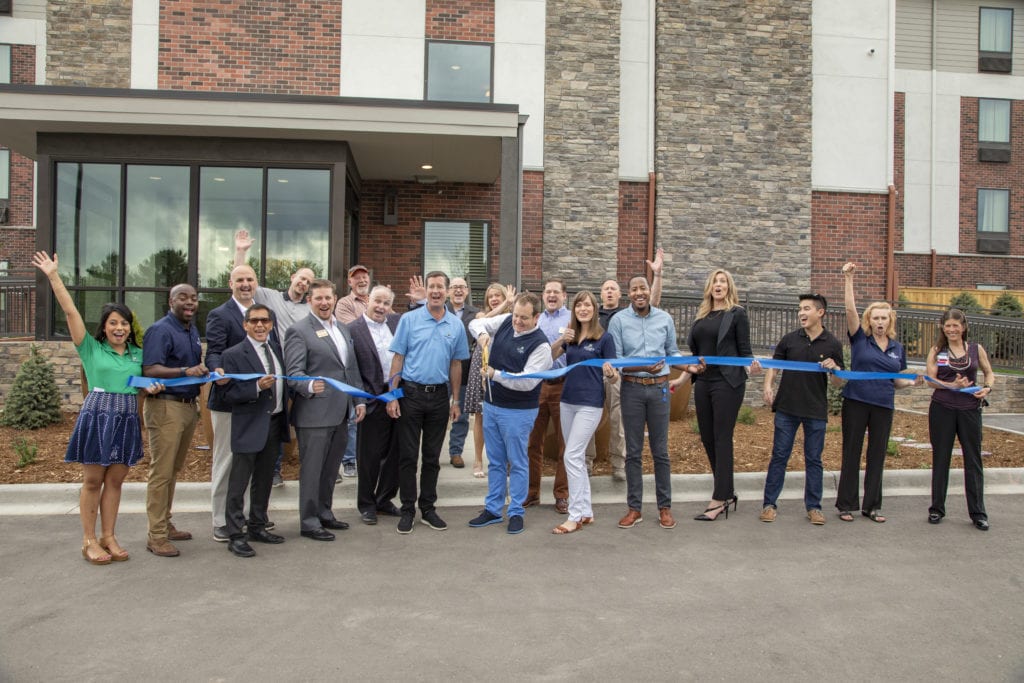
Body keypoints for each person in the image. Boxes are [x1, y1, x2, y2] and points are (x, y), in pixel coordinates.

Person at [32, 252, 163, 564]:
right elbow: (70, 311)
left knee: (116, 480)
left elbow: (144, 384)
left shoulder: (137, 354)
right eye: (113, 323)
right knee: (93, 481)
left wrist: (152, 386)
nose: (119, 328)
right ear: (103, 328)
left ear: (130, 328)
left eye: (124, 323)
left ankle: (109, 535)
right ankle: (89, 539)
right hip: (97, 415)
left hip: (127, 416)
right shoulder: (90, 349)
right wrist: (53, 276)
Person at [386, 271, 470, 534]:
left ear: (446, 291)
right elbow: (397, 359)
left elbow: (456, 364)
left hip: (439, 398)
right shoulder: (409, 320)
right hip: (410, 395)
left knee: (432, 457)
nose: (435, 291)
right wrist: (393, 395)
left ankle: (428, 508)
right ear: (428, 290)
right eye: (431, 286)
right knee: (408, 456)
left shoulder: (455, 325)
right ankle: (407, 509)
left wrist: (456, 401)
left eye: (439, 287)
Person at [835, 262, 920, 523]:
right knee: (852, 451)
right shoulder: (860, 339)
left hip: (883, 404)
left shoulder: (897, 348)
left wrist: (911, 382)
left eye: (884, 318)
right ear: (869, 321)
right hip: (857, 401)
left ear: (890, 320)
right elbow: (850, 309)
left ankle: (871, 506)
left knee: (877, 454)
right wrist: (849, 279)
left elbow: (896, 381)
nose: (880, 322)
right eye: (876, 318)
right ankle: (846, 505)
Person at [284, 279, 366, 541]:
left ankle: (325, 513)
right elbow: (293, 374)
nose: (324, 303)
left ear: (335, 299)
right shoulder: (299, 331)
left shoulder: (342, 329)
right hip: (314, 414)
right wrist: (309, 386)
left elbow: (349, 369)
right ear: (310, 300)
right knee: (312, 470)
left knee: (331, 469)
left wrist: (358, 400)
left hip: (341, 412)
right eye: (318, 298)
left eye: (328, 298)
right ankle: (309, 522)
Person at [467, 292, 552, 534]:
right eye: (515, 315)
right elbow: (475, 322)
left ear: (537, 317)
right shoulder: (506, 320)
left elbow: (526, 382)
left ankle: (516, 511)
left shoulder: (541, 346)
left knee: (516, 462)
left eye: (523, 318)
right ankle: (493, 509)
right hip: (492, 406)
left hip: (519, 411)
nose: (517, 321)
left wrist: (495, 375)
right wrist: (482, 334)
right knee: (495, 461)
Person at [234, 229, 314, 487]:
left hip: (301, 369)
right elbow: (242, 282)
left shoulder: (310, 310)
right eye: (301, 278)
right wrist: (241, 252)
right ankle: (275, 470)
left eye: (308, 282)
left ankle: (312, 466)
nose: (303, 284)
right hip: (275, 366)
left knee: (301, 419)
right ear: (293, 278)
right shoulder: (269, 297)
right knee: (276, 416)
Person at [759, 294, 844, 525]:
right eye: (799, 309)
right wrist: (768, 387)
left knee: (814, 459)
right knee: (779, 456)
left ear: (820, 312)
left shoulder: (832, 344)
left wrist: (834, 368)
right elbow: (774, 367)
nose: (801, 313)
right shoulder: (789, 340)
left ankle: (814, 507)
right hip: (787, 408)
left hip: (815, 410)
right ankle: (769, 504)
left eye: (806, 308)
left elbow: (839, 382)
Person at [683, 268, 759, 522]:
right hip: (704, 382)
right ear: (709, 287)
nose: (718, 285)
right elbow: (695, 355)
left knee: (722, 437)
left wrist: (753, 367)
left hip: (728, 381)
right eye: (715, 281)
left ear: (729, 287)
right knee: (707, 437)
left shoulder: (737, 313)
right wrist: (683, 378)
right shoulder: (701, 317)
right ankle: (726, 491)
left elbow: (745, 350)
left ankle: (719, 498)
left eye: (723, 281)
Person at [607, 275, 682, 530]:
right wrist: (642, 367)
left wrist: (691, 367)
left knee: (661, 452)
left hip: (660, 390)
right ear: (629, 293)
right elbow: (616, 360)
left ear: (650, 291)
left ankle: (665, 507)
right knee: (634, 453)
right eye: (634, 289)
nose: (639, 292)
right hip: (632, 390)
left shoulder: (664, 319)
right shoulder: (618, 321)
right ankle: (634, 508)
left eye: (643, 288)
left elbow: (672, 353)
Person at [217, 303, 289, 557]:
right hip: (248, 425)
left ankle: (258, 525)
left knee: (264, 480)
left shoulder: (275, 350)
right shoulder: (233, 354)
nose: (260, 325)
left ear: (271, 324)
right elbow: (226, 394)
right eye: (255, 321)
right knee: (239, 483)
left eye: (265, 321)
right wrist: (256, 387)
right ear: (245, 324)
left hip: (274, 422)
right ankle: (236, 533)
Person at [142, 283, 207, 557]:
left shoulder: (191, 330)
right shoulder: (160, 330)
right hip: (165, 407)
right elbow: (150, 368)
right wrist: (186, 370)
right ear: (171, 301)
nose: (189, 302)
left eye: (193, 298)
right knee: (162, 472)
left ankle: (166, 525)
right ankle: (155, 536)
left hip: (187, 407)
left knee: (173, 470)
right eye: (183, 297)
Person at [589, 248, 665, 480]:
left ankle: (618, 464)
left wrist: (658, 276)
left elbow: (653, 302)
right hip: (592, 373)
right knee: (589, 416)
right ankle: (587, 461)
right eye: (606, 288)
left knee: (618, 417)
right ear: (600, 294)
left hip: (618, 374)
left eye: (613, 288)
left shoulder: (627, 315)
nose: (609, 291)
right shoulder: (591, 314)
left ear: (622, 294)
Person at [551, 291, 617, 534]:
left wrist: (611, 374)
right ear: (574, 311)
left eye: (587, 305)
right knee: (575, 457)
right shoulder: (570, 337)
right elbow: (547, 360)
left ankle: (575, 514)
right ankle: (586, 511)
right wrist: (560, 342)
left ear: (594, 309)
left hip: (590, 404)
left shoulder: (604, 338)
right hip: (567, 401)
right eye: (578, 305)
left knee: (572, 455)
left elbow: (614, 374)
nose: (583, 309)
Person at [925, 308, 994, 531]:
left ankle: (978, 512)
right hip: (942, 408)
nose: (952, 329)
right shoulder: (937, 350)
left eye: (956, 325)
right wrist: (952, 385)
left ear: (963, 327)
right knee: (941, 457)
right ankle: (936, 508)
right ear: (942, 328)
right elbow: (930, 380)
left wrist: (987, 388)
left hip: (970, 410)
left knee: (973, 459)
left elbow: (988, 373)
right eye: (948, 326)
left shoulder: (976, 349)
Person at [206, 265, 260, 542]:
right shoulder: (220, 315)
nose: (245, 284)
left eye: (249, 279)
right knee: (226, 462)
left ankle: (243, 516)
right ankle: (220, 520)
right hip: (228, 402)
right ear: (231, 283)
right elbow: (213, 351)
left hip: (255, 400)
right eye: (240, 280)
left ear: (256, 283)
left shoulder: (261, 314)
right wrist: (217, 371)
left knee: (248, 462)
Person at [347, 285, 402, 525]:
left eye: (386, 303)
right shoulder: (351, 330)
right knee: (369, 455)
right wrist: (359, 400)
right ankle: (367, 504)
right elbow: (351, 369)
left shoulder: (397, 323)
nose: (381, 307)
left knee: (396, 452)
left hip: (397, 395)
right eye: (377, 301)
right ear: (368, 300)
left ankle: (385, 498)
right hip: (370, 397)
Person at [525, 278, 571, 513]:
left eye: (556, 292)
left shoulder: (572, 318)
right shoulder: (537, 320)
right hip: (538, 386)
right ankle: (532, 493)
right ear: (542, 296)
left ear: (564, 295)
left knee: (565, 444)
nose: (551, 295)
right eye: (548, 292)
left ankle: (561, 495)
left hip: (564, 386)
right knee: (533, 442)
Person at [465, 283, 515, 478]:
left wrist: (510, 306)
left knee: (506, 415)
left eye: (498, 295)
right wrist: (505, 304)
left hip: (503, 364)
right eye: (490, 296)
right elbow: (483, 322)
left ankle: (507, 460)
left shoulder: (513, 318)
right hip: (482, 362)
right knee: (481, 415)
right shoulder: (479, 316)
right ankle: (478, 460)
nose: (494, 299)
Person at [334, 263, 372, 478]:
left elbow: (392, 323)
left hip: (374, 367)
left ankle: (362, 455)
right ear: (350, 281)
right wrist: (375, 312)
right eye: (356, 277)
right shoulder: (344, 303)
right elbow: (354, 329)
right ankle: (349, 460)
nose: (361, 280)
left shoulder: (376, 299)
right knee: (352, 414)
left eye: (364, 277)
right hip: (353, 365)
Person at [444, 276, 479, 468]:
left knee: (462, 415)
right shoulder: (440, 310)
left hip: (464, 371)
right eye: (454, 287)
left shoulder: (476, 313)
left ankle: (455, 452)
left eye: (462, 287)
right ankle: (432, 452)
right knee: (438, 414)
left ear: (467, 291)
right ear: (448, 291)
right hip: (440, 371)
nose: (458, 291)